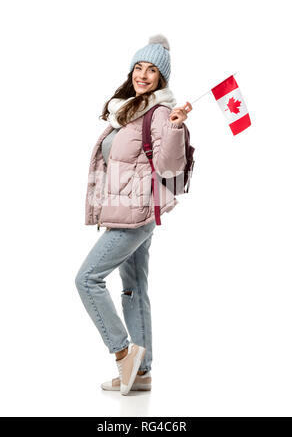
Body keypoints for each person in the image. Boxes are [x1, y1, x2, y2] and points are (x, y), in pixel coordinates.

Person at [75, 34, 192, 395]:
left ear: (162, 77)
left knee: (87, 279)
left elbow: (169, 164)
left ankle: (123, 352)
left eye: (152, 70)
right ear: (132, 71)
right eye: (139, 67)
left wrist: (174, 126)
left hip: (135, 213)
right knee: (135, 288)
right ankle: (140, 373)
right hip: (125, 210)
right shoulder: (127, 109)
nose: (143, 75)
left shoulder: (158, 113)